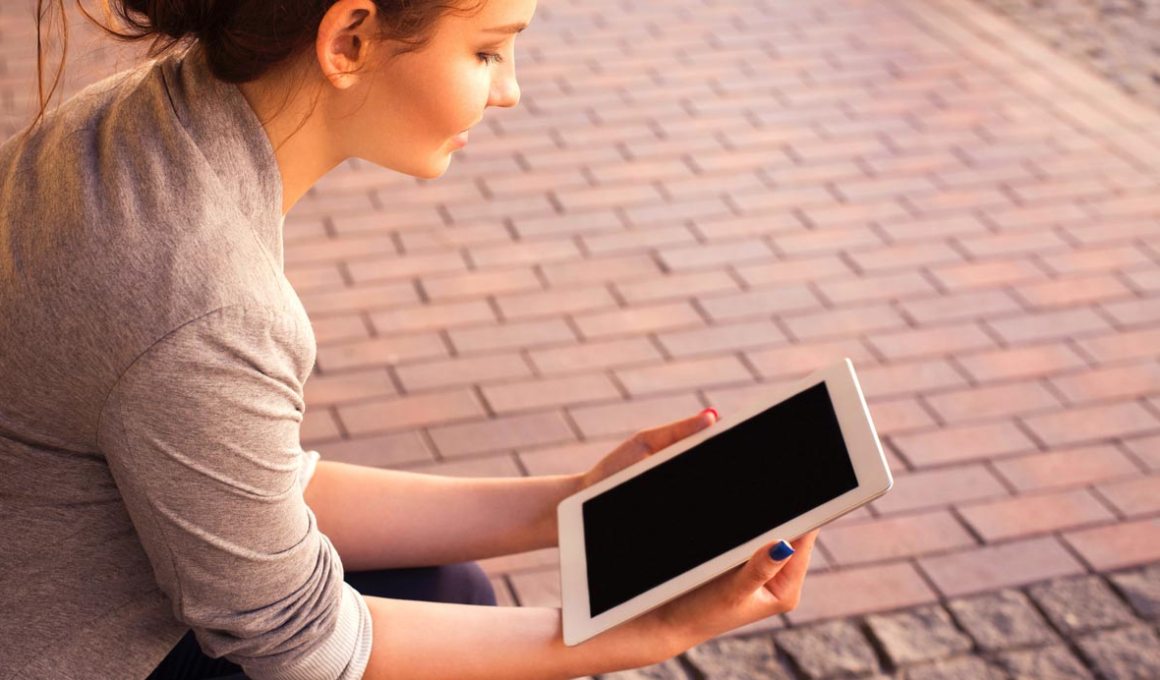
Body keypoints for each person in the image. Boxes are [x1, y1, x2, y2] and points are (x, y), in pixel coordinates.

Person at [0, 0, 821, 678]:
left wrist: (574, 501)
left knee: (446, 588)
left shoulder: (141, 122)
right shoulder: (207, 301)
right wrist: (650, 634)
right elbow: (299, 646)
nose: (510, 92)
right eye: (489, 53)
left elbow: (248, 482)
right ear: (349, 40)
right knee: (450, 609)